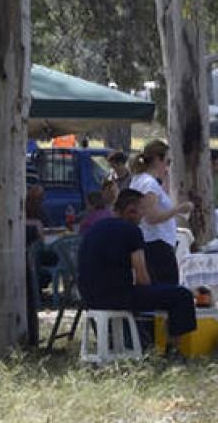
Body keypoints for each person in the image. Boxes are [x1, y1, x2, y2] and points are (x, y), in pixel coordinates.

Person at [77, 189, 197, 354]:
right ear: (131, 211)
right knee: (181, 296)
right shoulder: (132, 231)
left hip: (88, 297)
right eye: (142, 210)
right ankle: (174, 350)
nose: (143, 216)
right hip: (118, 297)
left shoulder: (95, 228)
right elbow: (142, 278)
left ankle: (141, 342)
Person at [129, 140, 193, 285]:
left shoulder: (141, 180)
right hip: (156, 245)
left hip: (153, 243)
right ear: (158, 159)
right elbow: (151, 217)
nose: (167, 167)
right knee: (167, 289)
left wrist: (165, 178)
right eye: (167, 162)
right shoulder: (148, 184)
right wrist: (178, 209)